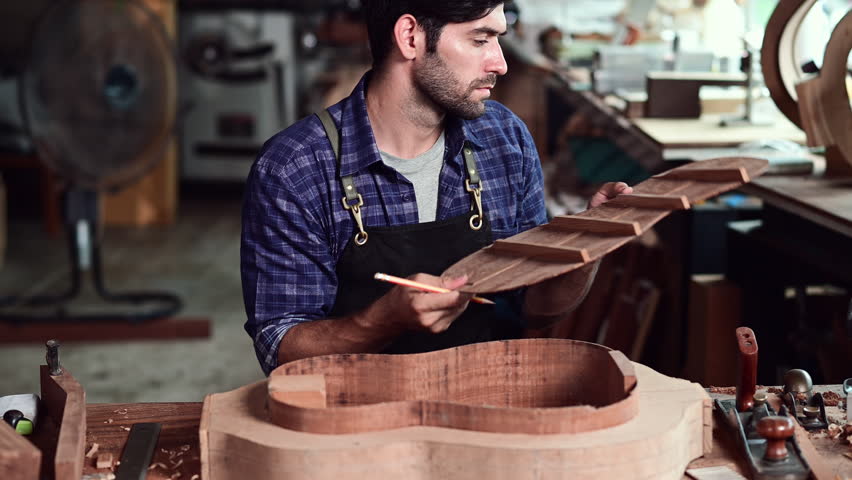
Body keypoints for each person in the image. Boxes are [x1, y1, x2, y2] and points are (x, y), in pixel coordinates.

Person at [241, 0, 633, 375]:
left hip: (485, 398)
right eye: (480, 40)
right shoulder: (295, 167)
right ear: (410, 37)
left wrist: (587, 248)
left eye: (497, 39)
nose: (500, 63)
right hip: (359, 412)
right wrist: (383, 320)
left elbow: (532, 307)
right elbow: (281, 350)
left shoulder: (504, 138)